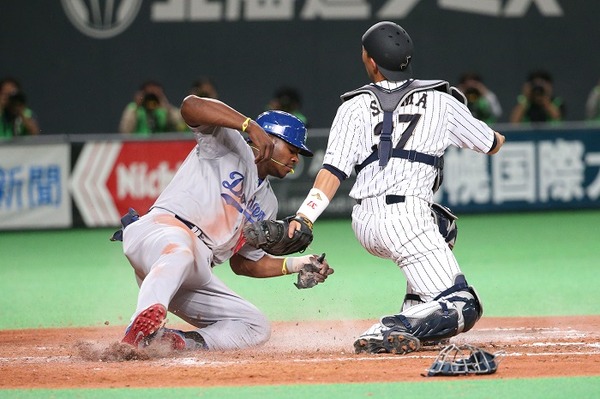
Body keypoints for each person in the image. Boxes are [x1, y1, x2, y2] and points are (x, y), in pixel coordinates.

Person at [287, 21, 505, 355]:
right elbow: (492, 143)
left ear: (371, 61)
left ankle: (416, 310)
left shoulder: (352, 106)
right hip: (406, 220)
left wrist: (304, 217)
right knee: (464, 305)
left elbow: (331, 172)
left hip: (365, 222)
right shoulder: (441, 102)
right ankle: (391, 326)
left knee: (442, 225)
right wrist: (461, 115)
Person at [115, 95, 333, 351]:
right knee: (180, 252)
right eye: (292, 150)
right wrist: (248, 125)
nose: (296, 159)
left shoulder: (268, 203)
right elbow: (190, 106)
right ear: (268, 139)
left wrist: (299, 264)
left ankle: (177, 343)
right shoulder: (228, 143)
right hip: (160, 233)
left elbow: (244, 264)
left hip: (195, 268)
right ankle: (138, 331)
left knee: (256, 326)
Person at [118, 80, 185, 134]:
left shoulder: (165, 110)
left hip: (161, 145)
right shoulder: (134, 108)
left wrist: (168, 108)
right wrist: (136, 108)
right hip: (138, 145)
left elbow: (180, 128)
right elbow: (124, 130)